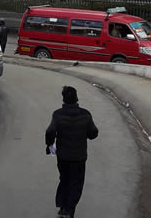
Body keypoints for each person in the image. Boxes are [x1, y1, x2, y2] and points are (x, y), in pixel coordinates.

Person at [45, 86, 99, 218]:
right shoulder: (86, 114)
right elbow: (93, 133)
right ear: (76, 98)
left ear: (63, 99)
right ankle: (69, 209)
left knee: (64, 179)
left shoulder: (57, 114)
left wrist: (50, 143)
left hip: (63, 156)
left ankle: (63, 207)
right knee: (76, 183)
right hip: (79, 156)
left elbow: (50, 131)